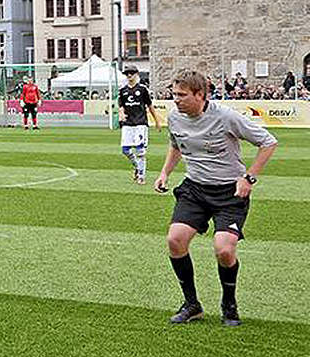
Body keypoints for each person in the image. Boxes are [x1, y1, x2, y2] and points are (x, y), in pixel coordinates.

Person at [155, 71, 278, 327]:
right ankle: (192, 304)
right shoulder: (175, 118)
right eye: (173, 94)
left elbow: (268, 142)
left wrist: (248, 178)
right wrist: (165, 172)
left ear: (200, 94)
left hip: (229, 193)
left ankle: (229, 304)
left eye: (181, 95)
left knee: (224, 249)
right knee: (175, 240)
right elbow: (176, 146)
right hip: (194, 189)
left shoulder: (226, 117)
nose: (175, 100)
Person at [117, 66, 160, 184]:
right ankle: (137, 166)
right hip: (128, 124)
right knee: (125, 150)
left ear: (136, 74)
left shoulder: (142, 89)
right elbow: (121, 106)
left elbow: (150, 106)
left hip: (140, 123)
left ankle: (141, 176)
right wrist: (121, 115)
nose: (129, 76)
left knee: (140, 151)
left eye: (131, 73)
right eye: (127, 74)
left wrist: (156, 121)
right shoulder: (122, 90)